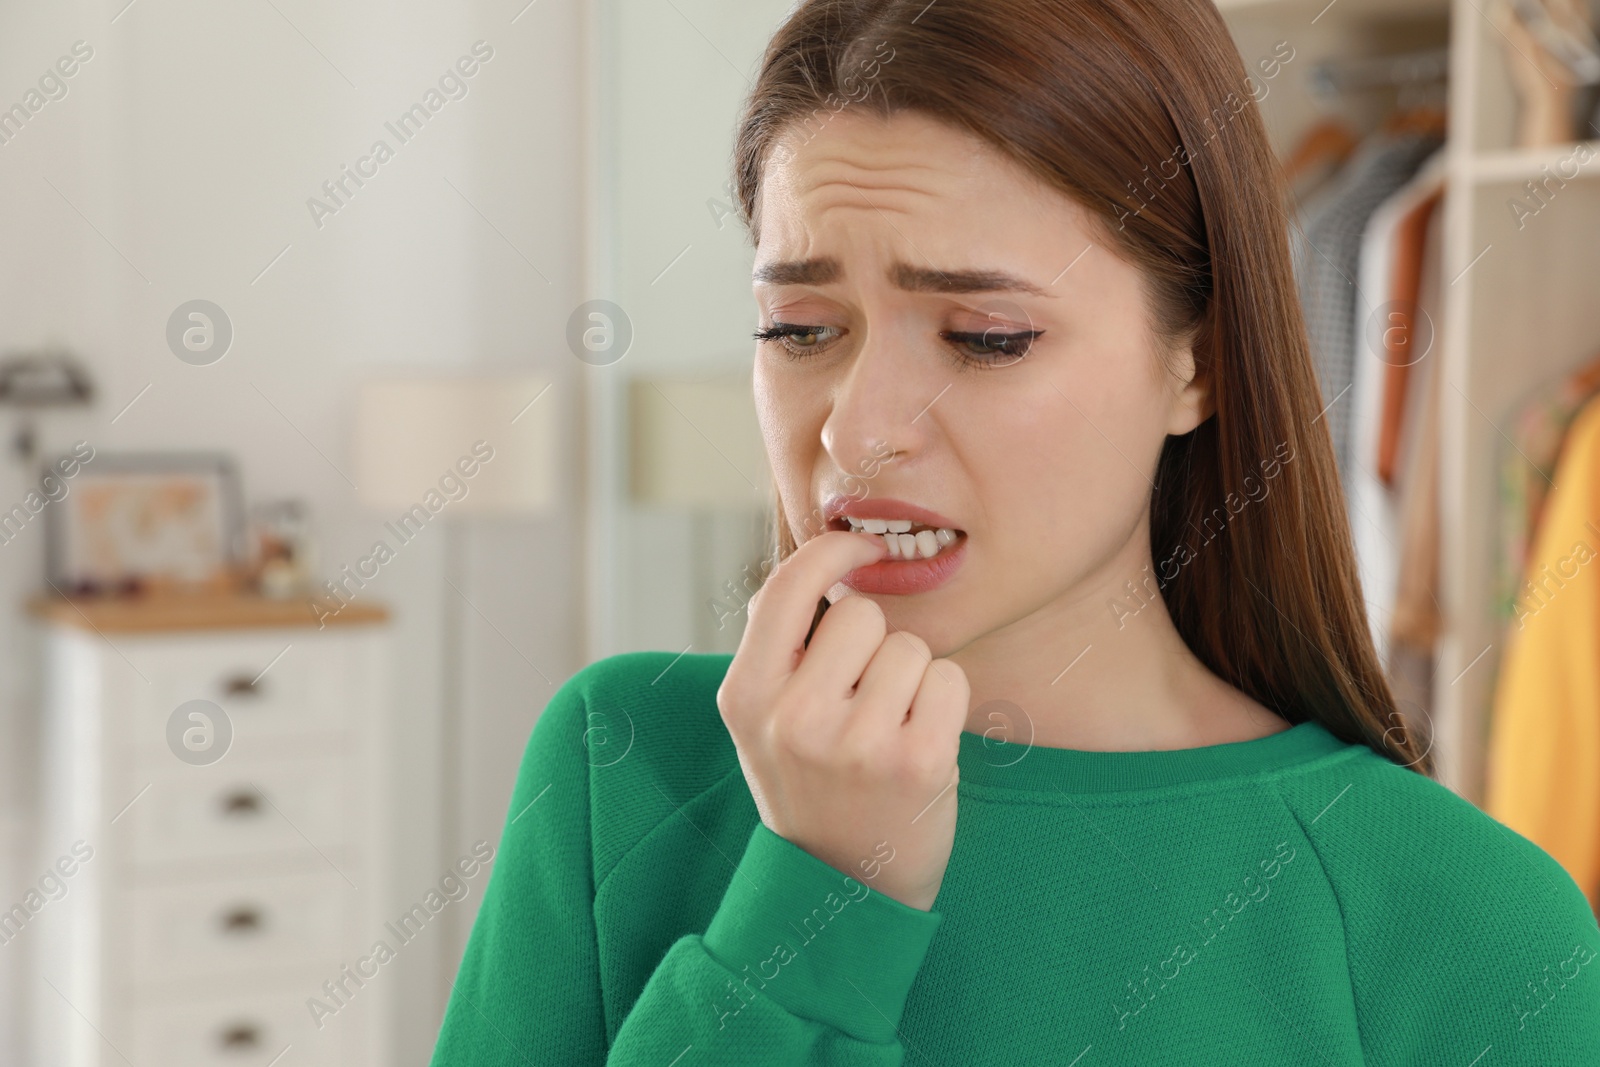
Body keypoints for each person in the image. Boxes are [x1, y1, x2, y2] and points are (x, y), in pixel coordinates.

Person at [430, 0, 1600, 1062]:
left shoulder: (1471, 919)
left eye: (985, 337)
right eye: (796, 328)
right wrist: (814, 896)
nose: (859, 432)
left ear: (1197, 362)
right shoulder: (622, 763)